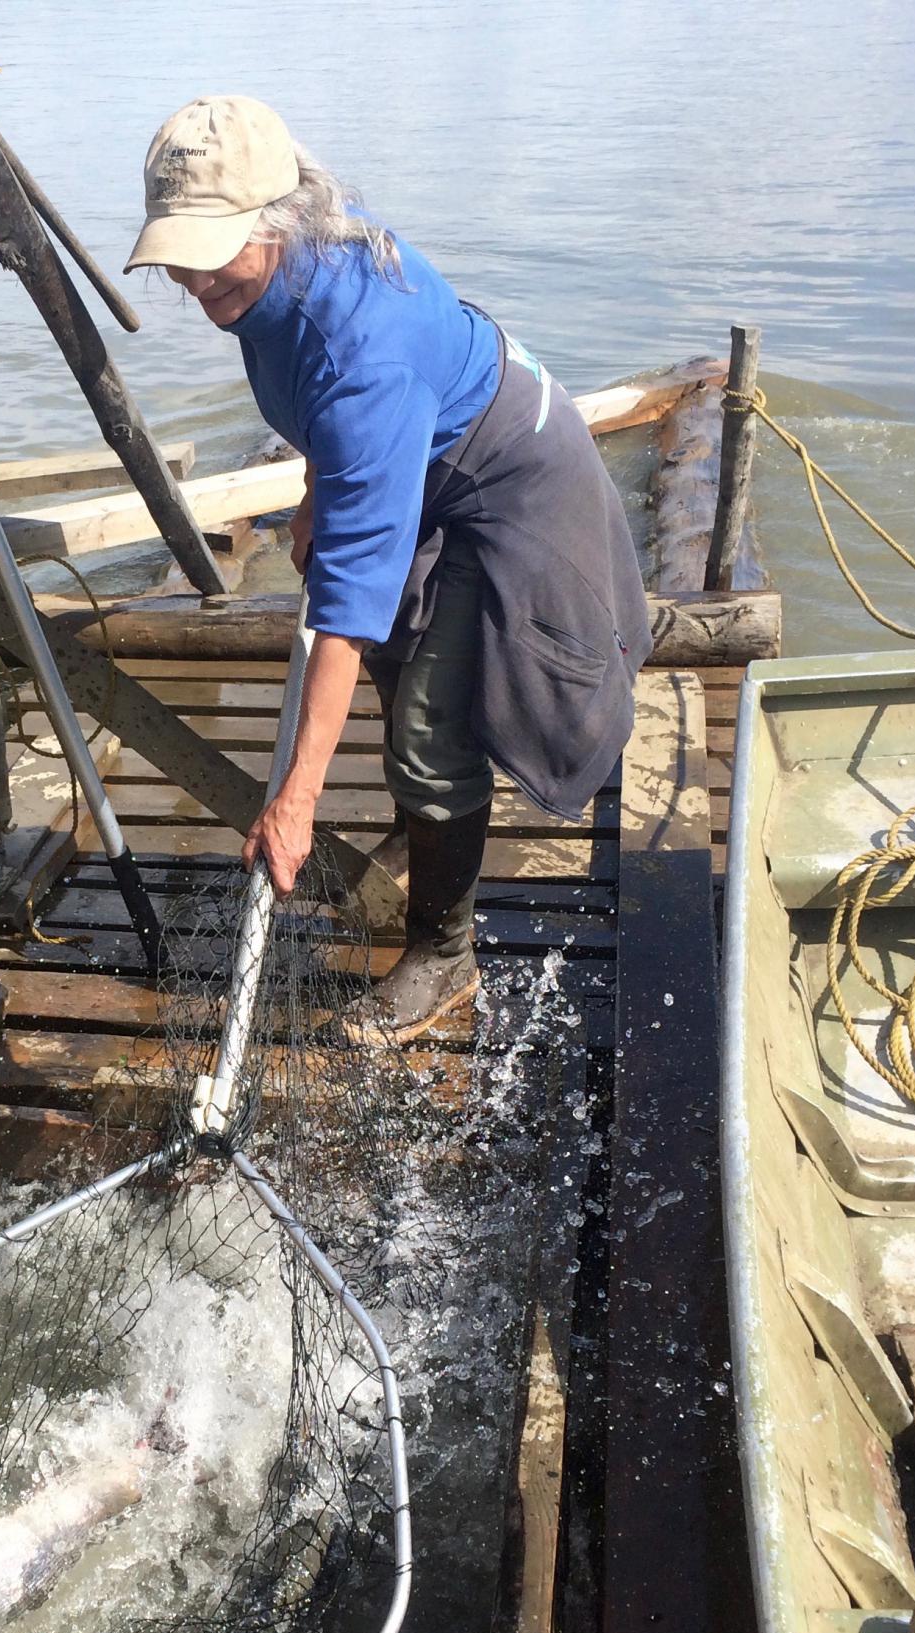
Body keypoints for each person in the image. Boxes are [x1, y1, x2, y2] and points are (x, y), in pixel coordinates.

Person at [125, 96, 652, 1044]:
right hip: (427, 456)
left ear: (279, 218)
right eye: (178, 253)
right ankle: (426, 834)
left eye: (216, 250)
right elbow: (332, 418)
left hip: (515, 484)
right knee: (402, 651)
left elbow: (343, 611)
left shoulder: (359, 346)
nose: (196, 281)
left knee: (426, 723)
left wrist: (294, 801)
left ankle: (445, 956)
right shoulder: (277, 277)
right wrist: (323, 492)